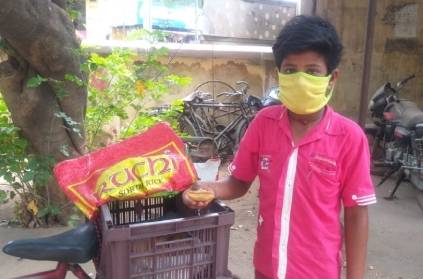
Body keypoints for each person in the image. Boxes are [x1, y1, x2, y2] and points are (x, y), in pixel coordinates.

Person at [183, 15, 376, 279]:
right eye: (290, 70)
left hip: (318, 272)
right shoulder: (264, 124)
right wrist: (207, 190)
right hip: (267, 267)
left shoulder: (349, 137)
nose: (300, 78)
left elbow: (356, 215)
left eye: (312, 71)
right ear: (279, 74)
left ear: (332, 78)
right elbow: (238, 183)